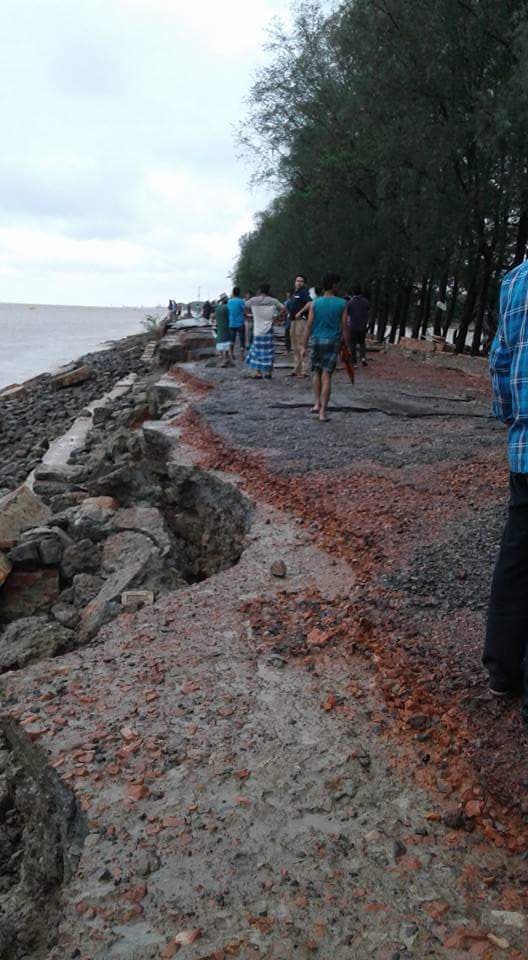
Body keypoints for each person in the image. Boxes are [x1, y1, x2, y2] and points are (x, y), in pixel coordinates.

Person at [485, 259, 528, 721]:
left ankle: (502, 671)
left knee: (517, 557)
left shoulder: (515, 280)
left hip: (525, 448)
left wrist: (511, 419)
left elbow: (499, 359)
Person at [302, 273, 350, 423]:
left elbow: (309, 325)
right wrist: (347, 346)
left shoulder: (315, 303)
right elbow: (344, 327)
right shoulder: (342, 303)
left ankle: (317, 404)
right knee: (327, 375)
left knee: (316, 372)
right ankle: (323, 412)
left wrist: (303, 345)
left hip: (316, 340)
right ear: (334, 285)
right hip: (332, 341)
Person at [244, 283, 286, 379]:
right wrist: (276, 317)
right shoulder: (273, 301)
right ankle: (268, 373)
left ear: (259, 290)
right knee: (269, 351)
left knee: (257, 352)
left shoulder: (254, 300)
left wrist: (248, 314)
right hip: (268, 329)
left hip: (257, 330)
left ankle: (258, 373)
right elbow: (284, 308)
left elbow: (244, 306)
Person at [286, 275, 311, 362]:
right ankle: (297, 368)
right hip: (293, 321)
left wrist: (300, 312)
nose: (298, 282)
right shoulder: (294, 293)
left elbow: (309, 303)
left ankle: (304, 370)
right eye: (297, 280)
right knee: (294, 345)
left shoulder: (304, 293)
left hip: (300, 321)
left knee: (301, 344)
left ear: (304, 283)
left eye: (301, 281)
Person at [347, 286, 370, 366]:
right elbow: (367, 311)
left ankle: (354, 362)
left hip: (353, 326)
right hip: (362, 326)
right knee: (362, 343)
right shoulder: (365, 301)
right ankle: (363, 357)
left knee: (352, 344)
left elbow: (347, 313)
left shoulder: (350, 302)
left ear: (353, 292)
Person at [228, 286, 246, 360]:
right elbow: (244, 310)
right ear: (239, 293)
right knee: (242, 339)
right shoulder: (241, 301)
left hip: (232, 323)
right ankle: (241, 356)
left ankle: (232, 354)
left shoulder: (229, 301)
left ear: (233, 293)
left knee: (232, 339)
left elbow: (229, 311)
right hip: (240, 323)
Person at [214, 294, 231, 367]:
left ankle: (221, 357)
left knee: (220, 341)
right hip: (227, 326)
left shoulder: (217, 308)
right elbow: (229, 317)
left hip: (219, 327)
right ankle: (226, 358)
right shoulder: (227, 307)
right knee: (227, 342)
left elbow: (215, 318)